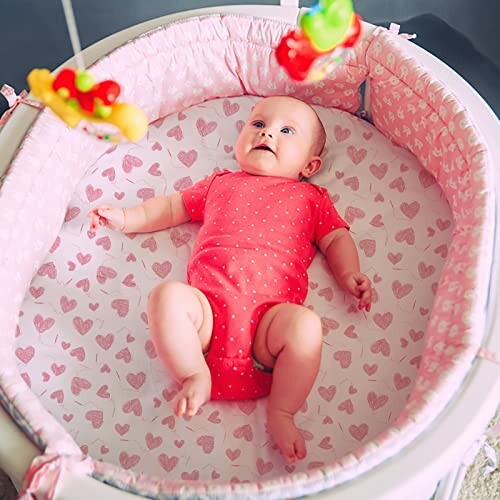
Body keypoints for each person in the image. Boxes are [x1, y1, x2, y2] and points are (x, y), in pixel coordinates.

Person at [88, 96, 372, 463]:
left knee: (305, 326)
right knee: (167, 297)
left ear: (310, 165)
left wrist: (350, 273)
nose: (267, 131)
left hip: (268, 330)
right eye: (258, 124)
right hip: (206, 318)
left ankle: (282, 411)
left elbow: (336, 237)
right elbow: (172, 207)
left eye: (286, 131)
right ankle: (194, 374)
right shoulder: (220, 184)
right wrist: (127, 218)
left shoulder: (311, 198)